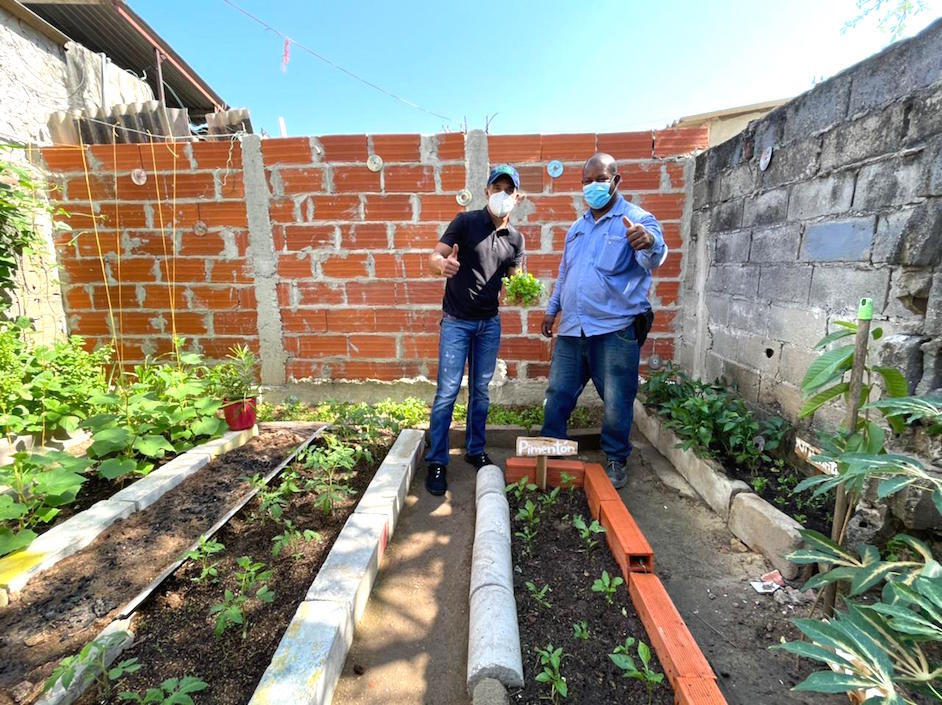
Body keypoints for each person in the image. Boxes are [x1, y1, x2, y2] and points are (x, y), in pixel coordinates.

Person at [539, 152, 666, 489]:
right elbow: (565, 273)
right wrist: (552, 310)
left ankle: (615, 457)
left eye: (600, 179)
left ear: (615, 181)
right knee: (559, 392)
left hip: (615, 328)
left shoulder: (636, 220)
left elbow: (654, 254)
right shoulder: (577, 229)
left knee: (616, 399)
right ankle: (551, 449)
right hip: (571, 328)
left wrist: (649, 242)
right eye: (587, 181)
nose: (593, 186)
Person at [424, 164, 525, 496]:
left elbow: (516, 276)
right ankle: (437, 460)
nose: (502, 194)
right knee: (447, 393)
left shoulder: (516, 238)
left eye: (508, 190)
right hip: (456, 321)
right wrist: (444, 265)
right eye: (497, 188)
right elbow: (434, 256)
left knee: (480, 391)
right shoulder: (466, 222)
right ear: (487, 192)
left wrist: (522, 287)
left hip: (488, 323)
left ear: (517, 197)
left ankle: (474, 449)